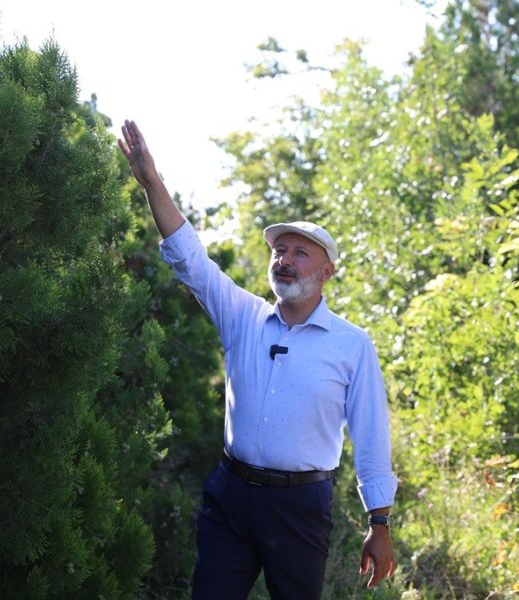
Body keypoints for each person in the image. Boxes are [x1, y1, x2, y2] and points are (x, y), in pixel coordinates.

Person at [118, 120, 397, 599]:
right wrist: (152, 183)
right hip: (231, 496)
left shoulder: (352, 345)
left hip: (300, 505)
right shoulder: (242, 316)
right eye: (279, 250)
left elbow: (372, 434)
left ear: (327, 271)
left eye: (300, 253)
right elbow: (190, 259)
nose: (284, 260)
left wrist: (380, 521)